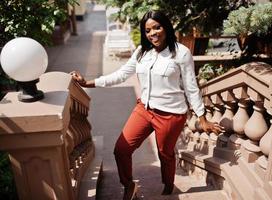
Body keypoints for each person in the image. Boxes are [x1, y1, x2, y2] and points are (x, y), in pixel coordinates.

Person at [71, 10, 224, 200]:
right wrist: (89, 83)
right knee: (121, 150)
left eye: (157, 27)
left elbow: (191, 88)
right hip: (144, 109)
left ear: (166, 27)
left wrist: (202, 119)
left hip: (171, 114)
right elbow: (120, 74)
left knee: (165, 154)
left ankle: (168, 187)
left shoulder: (181, 53)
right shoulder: (142, 52)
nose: (153, 33)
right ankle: (128, 185)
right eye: (148, 30)